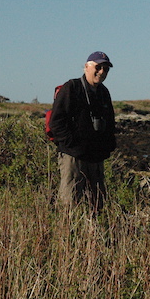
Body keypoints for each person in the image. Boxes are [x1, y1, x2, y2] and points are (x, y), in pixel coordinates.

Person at [49, 51, 117, 213]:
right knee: (69, 203)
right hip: (74, 156)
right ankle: (66, 236)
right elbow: (56, 122)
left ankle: (94, 236)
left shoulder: (103, 92)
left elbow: (110, 123)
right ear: (86, 67)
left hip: (96, 157)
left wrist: (107, 148)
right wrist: (73, 145)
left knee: (97, 203)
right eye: (98, 67)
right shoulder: (71, 88)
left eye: (106, 69)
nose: (101, 72)